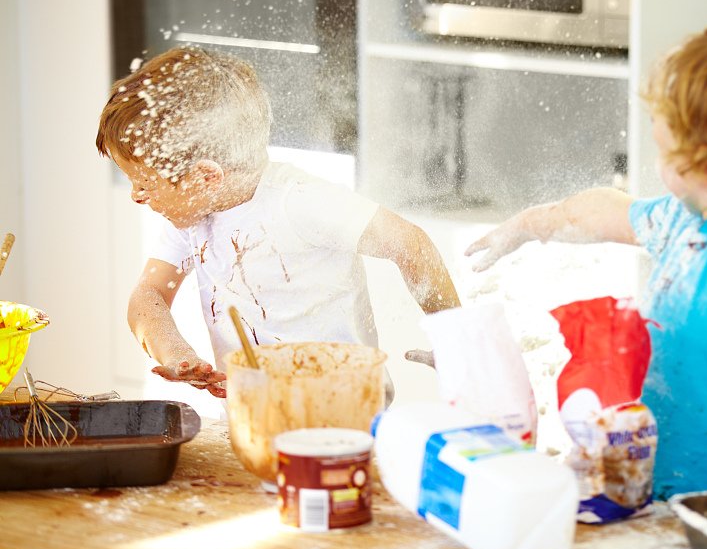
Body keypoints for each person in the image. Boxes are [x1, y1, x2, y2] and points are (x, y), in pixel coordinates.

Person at [466, 26, 707, 498]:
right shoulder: (688, 218)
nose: (658, 158)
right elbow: (607, 212)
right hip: (664, 480)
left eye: (665, 149)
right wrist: (529, 225)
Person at [96, 46, 460, 398]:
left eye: (143, 182)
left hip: (345, 408)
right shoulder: (192, 217)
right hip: (257, 412)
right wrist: (176, 354)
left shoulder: (300, 201)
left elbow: (409, 243)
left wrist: (455, 341)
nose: (136, 196)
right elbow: (148, 296)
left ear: (205, 177)